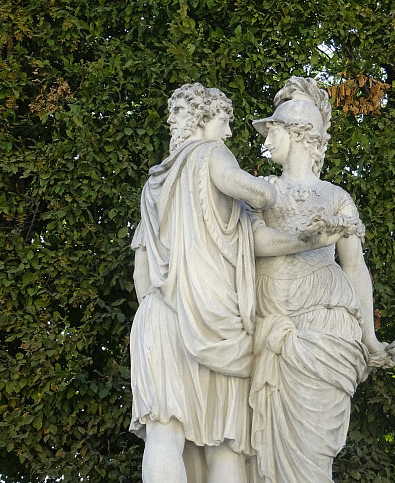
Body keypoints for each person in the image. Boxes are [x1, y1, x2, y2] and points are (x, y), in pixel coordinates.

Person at [248, 77, 395, 483]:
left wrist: (371, 340)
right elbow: (253, 242)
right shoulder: (260, 190)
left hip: (328, 329)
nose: (266, 138)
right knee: (260, 460)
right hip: (272, 327)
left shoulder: (336, 197)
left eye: (275, 129)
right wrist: (307, 240)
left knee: (314, 458)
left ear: (301, 135)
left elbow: (355, 268)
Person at [129, 83, 277, 483]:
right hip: (215, 320)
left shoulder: (153, 186)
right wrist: (270, 193)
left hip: (158, 315)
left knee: (163, 434)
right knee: (226, 445)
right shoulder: (210, 154)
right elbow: (253, 191)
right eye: (225, 121)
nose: (228, 132)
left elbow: (141, 272)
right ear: (204, 118)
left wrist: (162, 310)